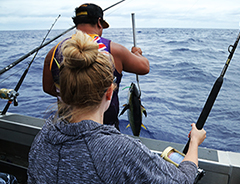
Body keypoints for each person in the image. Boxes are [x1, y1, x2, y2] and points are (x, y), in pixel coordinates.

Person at [28, 31, 206, 183]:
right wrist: (194, 142)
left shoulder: (44, 136)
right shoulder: (119, 150)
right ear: (109, 93)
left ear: (64, 91)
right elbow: (182, 180)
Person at [42, 3, 149, 130]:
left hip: (66, 127)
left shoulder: (54, 52)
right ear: (99, 22)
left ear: (76, 23)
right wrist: (137, 54)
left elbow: (48, 88)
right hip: (105, 129)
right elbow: (144, 67)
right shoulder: (114, 50)